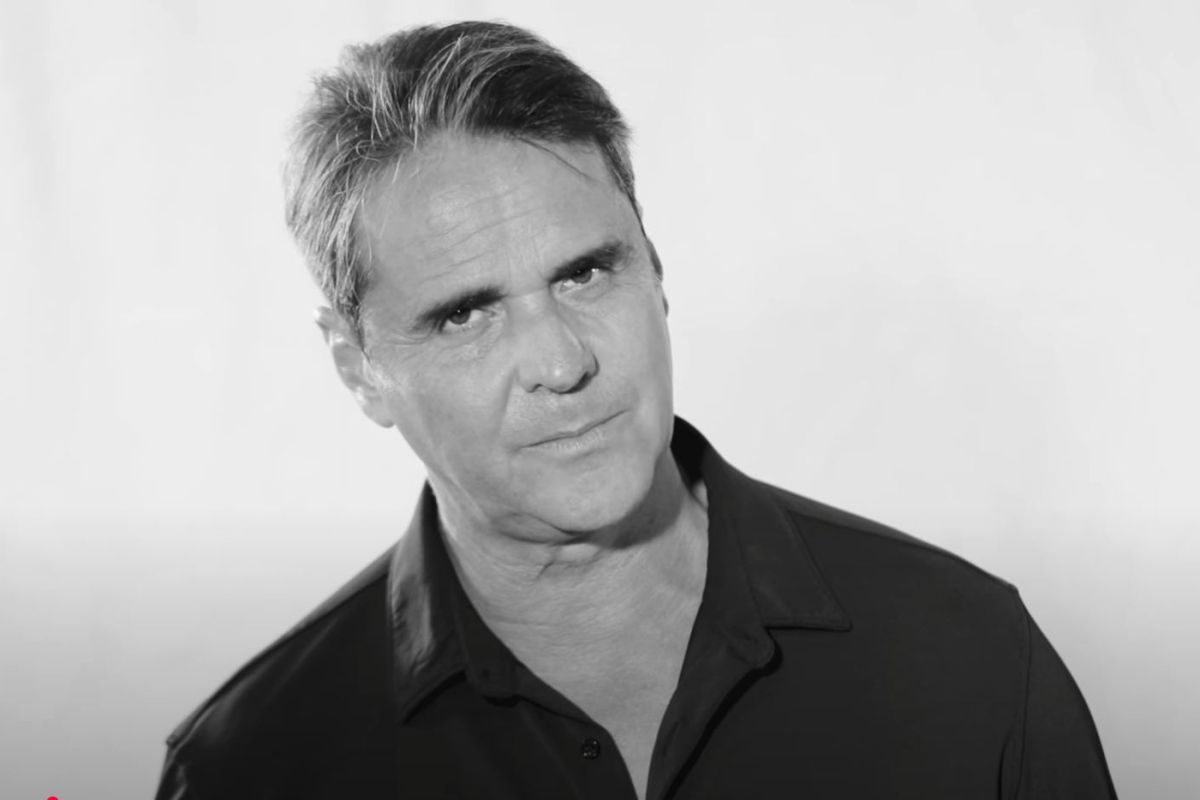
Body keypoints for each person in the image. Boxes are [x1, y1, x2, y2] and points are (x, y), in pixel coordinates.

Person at [154, 21, 1117, 800]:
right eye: (465, 314)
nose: (562, 362)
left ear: (654, 272)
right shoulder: (252, 767)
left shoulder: (966, 654)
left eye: (585, 273)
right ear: (358, 369)